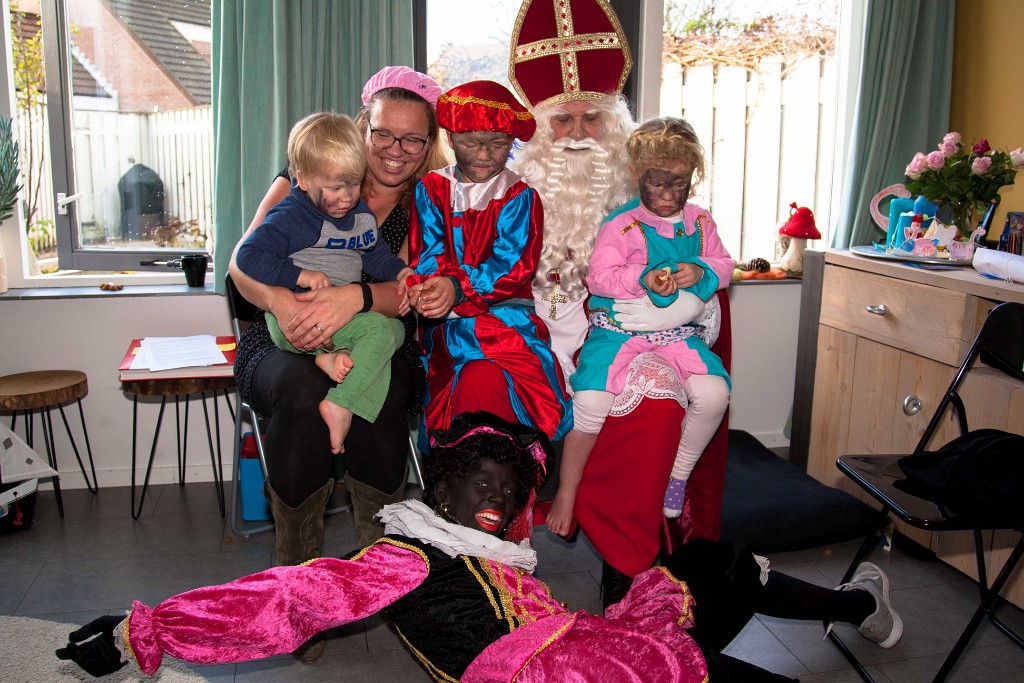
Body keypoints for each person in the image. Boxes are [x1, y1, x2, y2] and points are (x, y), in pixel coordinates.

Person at [56, 411, 904, 683]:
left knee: (708, 559)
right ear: (440, 492)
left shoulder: (496, 554)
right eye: (480, 483)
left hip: (602, 651)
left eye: (510, 487)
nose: (497, 498)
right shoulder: (409, 554)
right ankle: (856, 603)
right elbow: (291, 596)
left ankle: (856, 603)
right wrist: (145, 629)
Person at [508, 0, 731, 605]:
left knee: (655, 410)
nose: (579, 135)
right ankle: (493, 572)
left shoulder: (651, 203)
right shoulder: (509, 194)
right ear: (538, 130)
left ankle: (625, 561)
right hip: (525, 345)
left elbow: (708, 271)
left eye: (593, 120)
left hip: (626, 343)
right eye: (562, 121)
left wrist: (689, 307)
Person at [228, 66, 449, 578]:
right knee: (302, 389)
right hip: (283, 329)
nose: (396, 150)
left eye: (413, 139)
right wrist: (283, 303)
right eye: (383, 133)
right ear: (362, 127)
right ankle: (295, 572)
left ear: (429, 144)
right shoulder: (307, 174)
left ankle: (376, 570)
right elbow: (242, 263)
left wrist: (355, 297)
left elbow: (403, 293)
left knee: (382, 389)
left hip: (371, 327)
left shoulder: (427, 201)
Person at [545, 116, 733, 536]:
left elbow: (724, 265)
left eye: (679, 184)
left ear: (693, 175)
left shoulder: (701, 222)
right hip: (619, 330)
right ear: (636, 174)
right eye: (657, 183)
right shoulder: (621, 224)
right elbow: (599, 279)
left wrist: (699, 269)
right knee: (591, 401)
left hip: (676, 334)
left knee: (715, 393)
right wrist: (642, 279)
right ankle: (567, 489)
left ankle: (678, 476)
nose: (668, 196)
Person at [404, 80, 573, 540]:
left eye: (498, 144)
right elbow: (426, 252)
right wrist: (434, 286)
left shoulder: (521, 196)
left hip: (506, 322)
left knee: (498, 388)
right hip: (447, 329)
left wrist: (457, 287)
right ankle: (455, 521)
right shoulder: (431, 189)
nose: (484, 154)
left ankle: (507, 523)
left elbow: (513, 267)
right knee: (458, 395)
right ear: (450, 138)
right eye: (472, 142)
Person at [235, 111, 413, 456]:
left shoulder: (358, 214)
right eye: (335, 188)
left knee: (394, 331)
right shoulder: (291, 217)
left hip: (338, 318)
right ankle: (341, 400)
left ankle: (330, 363)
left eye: (354, 184)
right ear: (302, 179)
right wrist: (297, 276)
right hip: (294, 320)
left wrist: (399, 271)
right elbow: (248, 256)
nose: (347, 197)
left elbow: (374, 255)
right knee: (382, 333)